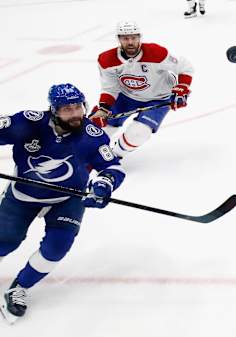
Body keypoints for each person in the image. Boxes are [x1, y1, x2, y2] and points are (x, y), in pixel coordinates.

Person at [0, 83, 125, 323]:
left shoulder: (92, 135)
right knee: (5, 243)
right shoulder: (29, 123)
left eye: (78, 107)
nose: (75, 113)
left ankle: (20, 287)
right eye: (67, 109)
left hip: (68, 198)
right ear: (54, 110)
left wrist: (103, 185)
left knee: (57, 247)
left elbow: (112, 167)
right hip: (23, 195)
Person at [89, 21, 194, 158]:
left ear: (140, 37)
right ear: (119, 39)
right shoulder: (106, 60)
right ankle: (87, 155)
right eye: (125, 38)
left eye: (134, 37)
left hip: (159, 98)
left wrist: (182, 87)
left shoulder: (156, 53)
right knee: (99, 128)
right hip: (126, 97)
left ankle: (114, 156)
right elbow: (110, 88)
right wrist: (103, 109)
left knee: (139, 133)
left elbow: (185, 67)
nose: (130, 42)